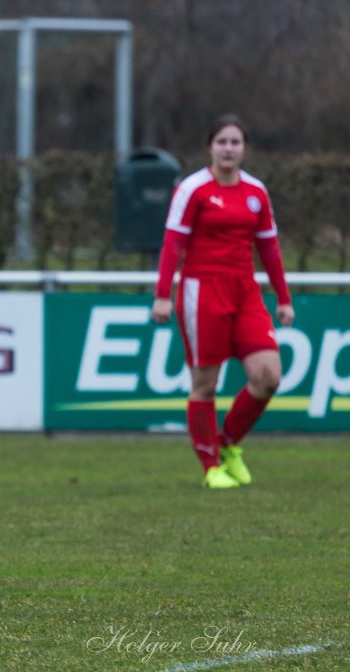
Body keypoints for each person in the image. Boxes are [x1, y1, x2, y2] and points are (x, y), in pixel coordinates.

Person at [151, 114, 294, 489]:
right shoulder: (193, 189)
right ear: (210, 147)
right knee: (205, 385)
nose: (228, 149)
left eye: (235, 142)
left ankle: (228, 444)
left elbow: (269, 246)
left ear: (244, 148)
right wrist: (163, 295)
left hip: (245, 293)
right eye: (222, 142)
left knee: (268, 376)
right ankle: (211, 466)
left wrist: (283, 298)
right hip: (202, 292)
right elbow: (172, 244)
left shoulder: (256, 192)